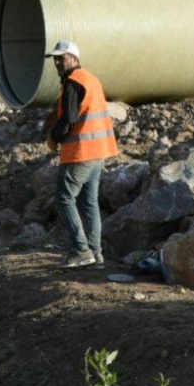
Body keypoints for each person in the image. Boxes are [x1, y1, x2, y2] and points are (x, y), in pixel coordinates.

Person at [44, 40, 119, 270]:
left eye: (62, 57)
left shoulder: (73, 82)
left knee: (64, 198)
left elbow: (69, 118)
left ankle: (81, 250)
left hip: (82, 152)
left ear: (74, 59)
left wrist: (54, 137)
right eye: (56, 58)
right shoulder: (90, 78)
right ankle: (95, 254)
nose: (57, 62)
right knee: (89, 203)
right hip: (98, 151)